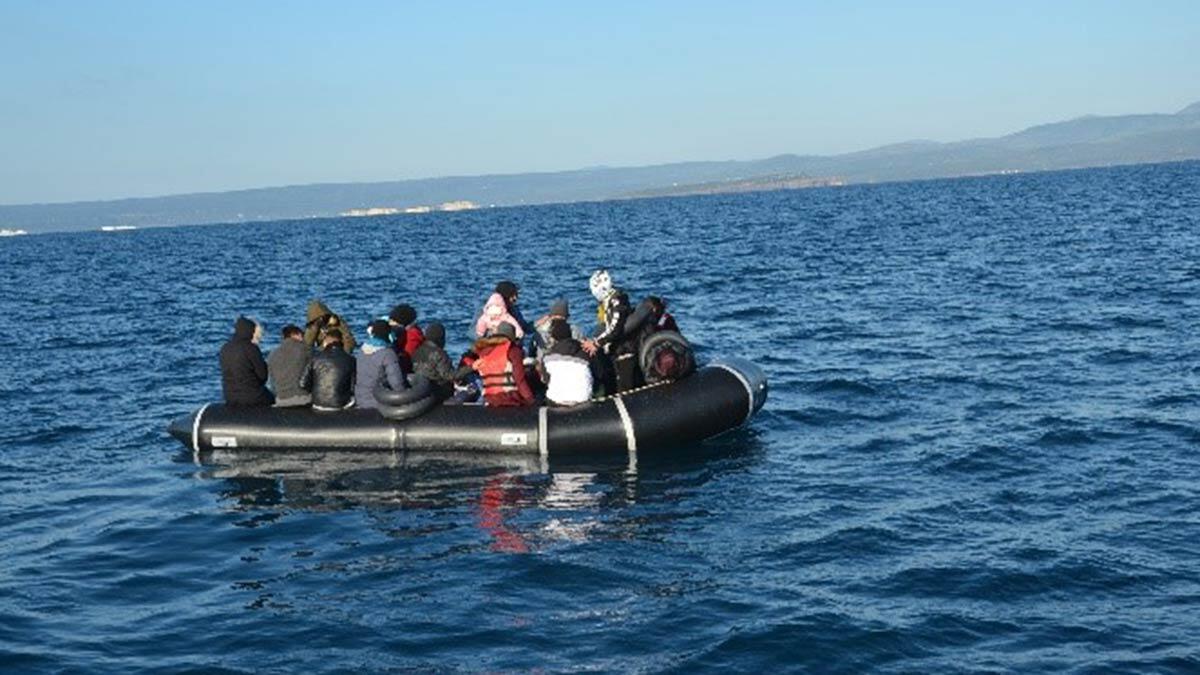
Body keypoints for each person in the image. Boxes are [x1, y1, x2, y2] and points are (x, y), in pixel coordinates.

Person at [582, 269, 637, 393]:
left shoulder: (617, 301)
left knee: (626, 390)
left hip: (625, 351)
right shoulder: (609, 301)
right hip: (615, 351)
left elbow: (615, 328)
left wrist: (596, 343)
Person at [472, 322, 534, 407]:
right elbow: (519, 379)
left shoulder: (484, 351)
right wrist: (530, 399)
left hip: (490, 399)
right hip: (510, 398)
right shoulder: (513, 350)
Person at [220, 316, 274, 406]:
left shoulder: (225, 348)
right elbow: (263, 376)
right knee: (272, 397)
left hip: (230, 396)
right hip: (252, 396)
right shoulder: (251, 348)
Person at [355, 320, 407, 409]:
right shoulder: (388, 354)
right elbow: (397, 384)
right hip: (378, 401)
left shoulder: (362, 350)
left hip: (360, 398)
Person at [300, 329, 356, 411]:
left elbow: (303, 384)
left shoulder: (315, 358)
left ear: (325, 342)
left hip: (318, 403)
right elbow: (353, 385)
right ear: (341, 341)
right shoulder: (351, 359)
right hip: (340, 404)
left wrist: (315, 389)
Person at [542, 319, 593, 406]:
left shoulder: (547, 357)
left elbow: (546, 380)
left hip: (557, 399)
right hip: (583, 398)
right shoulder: (585, 352)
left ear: (553, 338)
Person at [267, 324, 311, 407]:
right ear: (297, 335)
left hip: (280, 400)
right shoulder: (305, 349)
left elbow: (272, 381)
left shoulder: (273, 354)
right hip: (302, 399)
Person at [412, 320, 456, 397]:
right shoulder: (439, 353)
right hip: (437, 391)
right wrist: (470, 368)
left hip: (420, 390)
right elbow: (449, 376)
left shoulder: (417, 351)